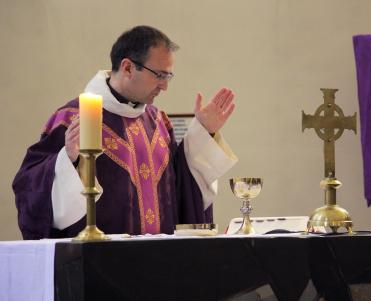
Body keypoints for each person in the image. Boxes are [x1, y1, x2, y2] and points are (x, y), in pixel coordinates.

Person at [12, 25, 238, 239]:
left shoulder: (158, 122)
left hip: (161, 262)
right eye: (159, 75)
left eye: (168, 76)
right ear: (128, 67)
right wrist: (67, 160)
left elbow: (181, 187)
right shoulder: (73, 118)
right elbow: (29, 186)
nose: (165, 86)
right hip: (101, 265)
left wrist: (202, 134)